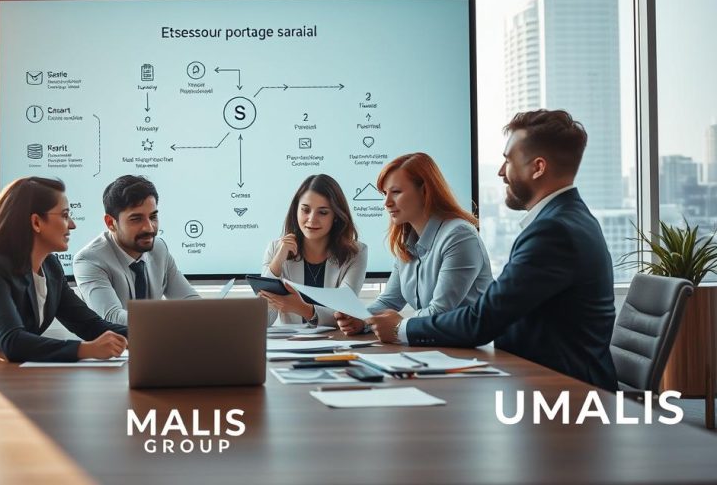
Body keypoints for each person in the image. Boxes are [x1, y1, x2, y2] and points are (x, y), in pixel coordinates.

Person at [365, 110, 618, 390]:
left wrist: (402, 329)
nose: (500, 172)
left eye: (508, 160)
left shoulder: (553, 231)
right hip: (543, 380)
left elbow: (483, 319)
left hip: (565, 394)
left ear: (538, 167)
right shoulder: (567, 220)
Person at [0, 177, 127, 362]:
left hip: (13, 375)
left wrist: (146, 336)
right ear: (36, 222)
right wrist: (86, 350)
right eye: (65, 215)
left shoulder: (50, 267)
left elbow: (90, 325)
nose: (72, 225)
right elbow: (13, 342)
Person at [334, 153, 491, 333]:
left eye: (396, 192)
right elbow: (389, 300)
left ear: (425, 190)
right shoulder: (407, 242)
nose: (387, 202)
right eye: (385, 194)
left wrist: (397, 324)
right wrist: (360, 318)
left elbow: (440, 312)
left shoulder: (459, 235)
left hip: (472, 349)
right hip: (435, 346)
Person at [73, 175, 199, 325]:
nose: (149, 227)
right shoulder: (89, 260)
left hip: (156, 342)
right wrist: (170, 319)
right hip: (117, 346)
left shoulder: (159, 249)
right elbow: (112, 317)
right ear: (110, 223)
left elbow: (189, 301)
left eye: (153, 217)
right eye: (136, 219)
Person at [260, 174, 367, 327]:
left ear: (336, 216)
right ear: (296, 210)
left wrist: (302, 308)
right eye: (305, 210)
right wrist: (277, 263)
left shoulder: (356, 253)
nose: (311, 219)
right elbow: (264, 320)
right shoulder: (275, 249)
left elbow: (345, 314)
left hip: (335, 345)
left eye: (323, 212)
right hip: (292, 345)